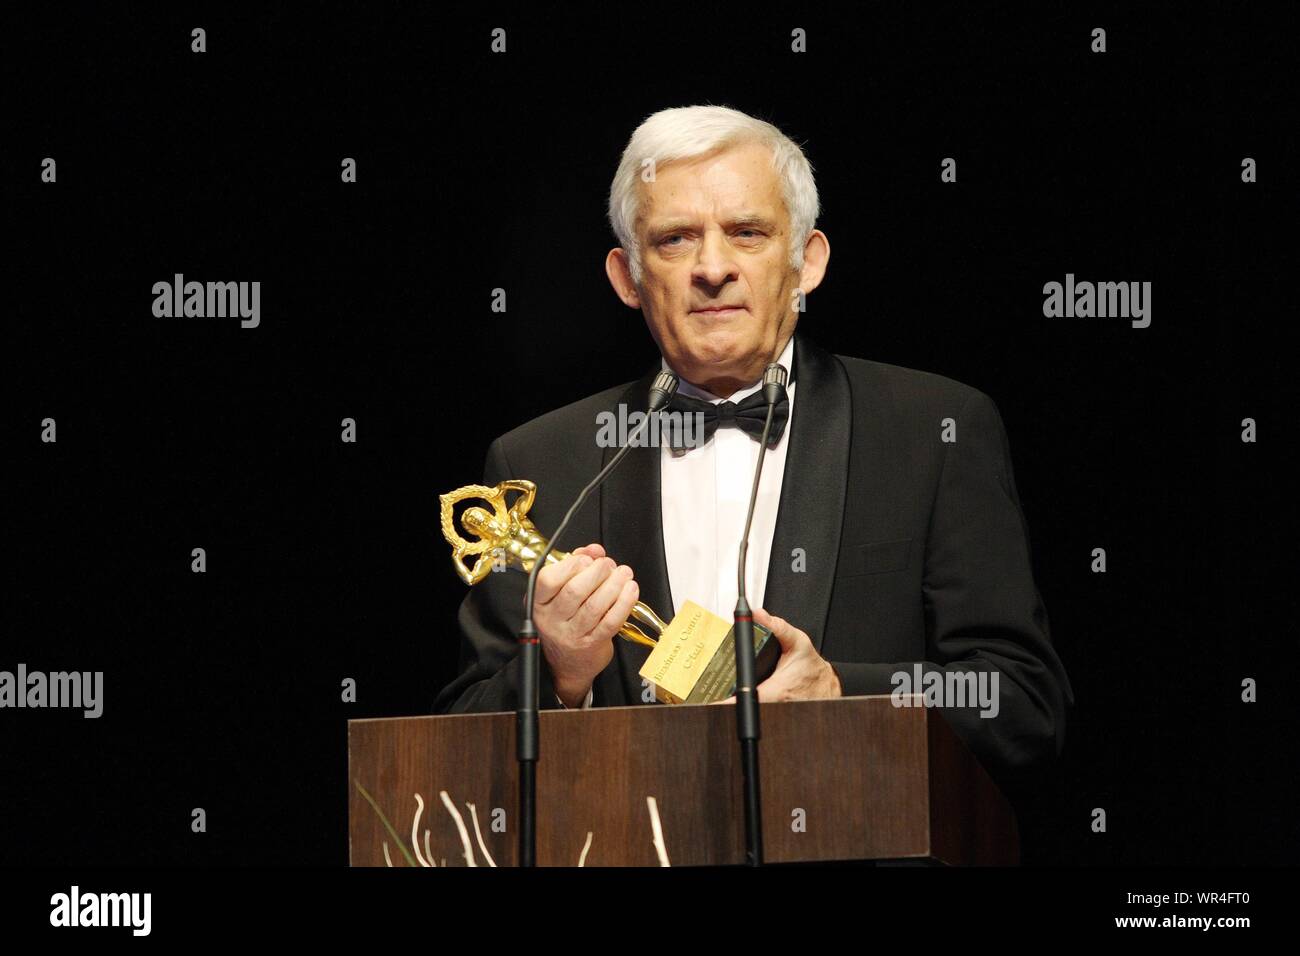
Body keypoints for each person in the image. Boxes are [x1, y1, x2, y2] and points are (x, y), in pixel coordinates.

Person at [433, 105, 1073, 780]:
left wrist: (842, 696)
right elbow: (455, 754)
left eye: (747, 233)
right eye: (676, 239)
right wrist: (556, 675)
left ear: (807, 262)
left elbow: (1025, 705)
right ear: (628, 278)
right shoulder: (537, 463)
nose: (713, 268)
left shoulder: (934, 431)